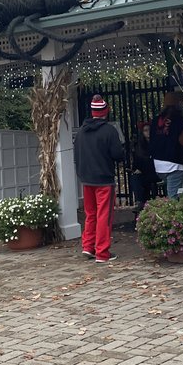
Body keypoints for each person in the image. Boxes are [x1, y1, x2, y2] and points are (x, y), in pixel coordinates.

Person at [73, 94, 124, 263]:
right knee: (104, 215)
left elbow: (76, 154)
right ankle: (102, 253)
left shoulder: (81, 132)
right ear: (106, 111)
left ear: (93, 112)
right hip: (104, 179)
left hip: (86, 179)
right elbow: (118, 155)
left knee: (91, 214)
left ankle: (88, 247)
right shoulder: (109, 131)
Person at [149, 90, 183, 198]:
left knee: (170, 194)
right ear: (178, 104)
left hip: (158, 164)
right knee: (174, 197)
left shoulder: (155, 121)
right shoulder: (181, 121)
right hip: (174, 165)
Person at [130, 121, 157, 215]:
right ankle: (140, 202)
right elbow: (136, 162)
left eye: (149, 130)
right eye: (145, 130)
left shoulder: (156, 143)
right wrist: (136, 169)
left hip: (155, 172)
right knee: (135, 178)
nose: (148, 132)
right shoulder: (140, 146)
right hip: (143, 172)